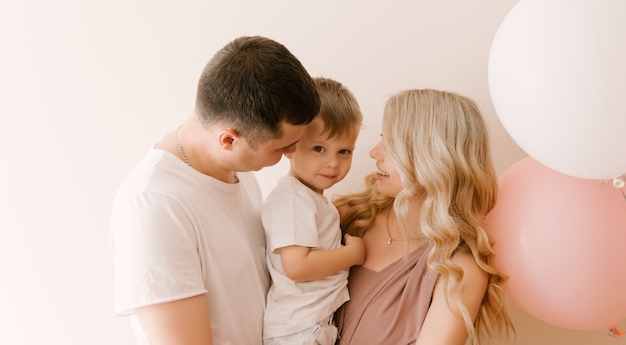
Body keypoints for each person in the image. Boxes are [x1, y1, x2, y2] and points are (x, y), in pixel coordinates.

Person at [110, 36, 321, 345]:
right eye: (282, 146)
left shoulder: (236, 169)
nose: (292, 154)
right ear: (228, 140)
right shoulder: (154, 205)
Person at [333, 89, 515, 345]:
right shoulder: (349, 217)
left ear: (433, 157)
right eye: (382, 137)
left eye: (393, 143)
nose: (374, 152)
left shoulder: (458, 269)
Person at [260, 77, 366, 345]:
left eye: (344, 151)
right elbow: (297, 266)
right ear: (290, 146)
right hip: (299, 329)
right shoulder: (294, 199)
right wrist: (353, 254)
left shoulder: (311, 199)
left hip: (310, 324)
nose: (332, 163)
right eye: (319, 148)